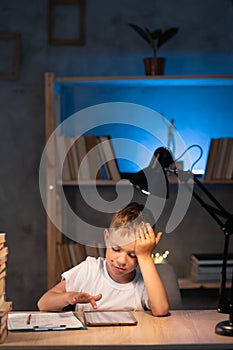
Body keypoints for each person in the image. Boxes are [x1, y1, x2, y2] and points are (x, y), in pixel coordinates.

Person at [37, 202, 169, 317]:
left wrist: (145, 257)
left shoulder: (144, 283)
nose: (121, 260)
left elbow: (161, 309)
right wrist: (70, 297)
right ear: (107, 238)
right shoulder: (89, 269)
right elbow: (43, 303)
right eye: (116, 249)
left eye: (133, 255)